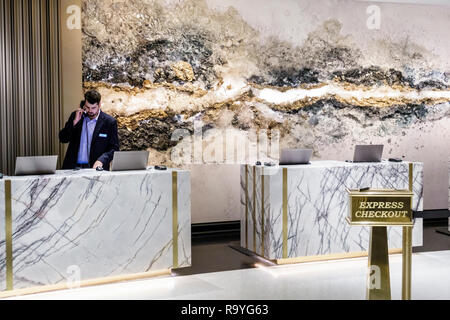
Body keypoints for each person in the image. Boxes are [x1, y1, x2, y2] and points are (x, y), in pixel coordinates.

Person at [59, 90, 119, 170]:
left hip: (95, 169)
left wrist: (101, 160)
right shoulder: (76, 116)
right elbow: (63, 138)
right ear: (84, 105)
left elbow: (114, 148)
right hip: (73, 168)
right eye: (87, 107)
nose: (90, 111)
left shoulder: (109, 122)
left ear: (99, 105)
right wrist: (74, 123)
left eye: (93, 108)